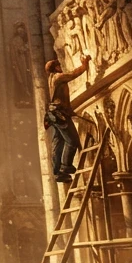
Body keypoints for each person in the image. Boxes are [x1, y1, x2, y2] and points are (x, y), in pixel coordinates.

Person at [45, 54, 90, 183]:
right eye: (58, 65)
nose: (60, 67)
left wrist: (69, 110)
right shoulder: (58, 77)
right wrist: (84, 64)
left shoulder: (51, 78)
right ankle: (65, 167)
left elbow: (59, 97)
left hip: (55, 113)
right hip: (59, 114)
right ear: (55, 68)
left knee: (58, 143)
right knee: (72, 141)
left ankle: (57, 172)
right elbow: (73, 74)